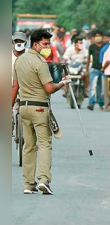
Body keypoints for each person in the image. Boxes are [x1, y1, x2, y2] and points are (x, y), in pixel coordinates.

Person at [12, 29, 71, 195]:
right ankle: (43, 180)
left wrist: (10, 108)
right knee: (44, 144)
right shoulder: (40, 63)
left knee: (28, 146)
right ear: (36, 44)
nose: (48, 47)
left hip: (23, 107)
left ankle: (28, 184)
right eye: (45, 44)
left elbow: (15, 87)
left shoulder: (19, 61)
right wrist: (62, 83)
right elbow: (49, 88)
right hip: (39, 108)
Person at [86, 29, 105, 111]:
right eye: (96, 36)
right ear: (94, 37)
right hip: (94, 68)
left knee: (101, 88)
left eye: (99, 36)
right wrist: (87, 69)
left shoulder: (105, 46)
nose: (98, 37)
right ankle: (91, 103)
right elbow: (89, 58)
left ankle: (101, 103)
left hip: (104, 69)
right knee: (93, 87)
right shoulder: (92, 46)